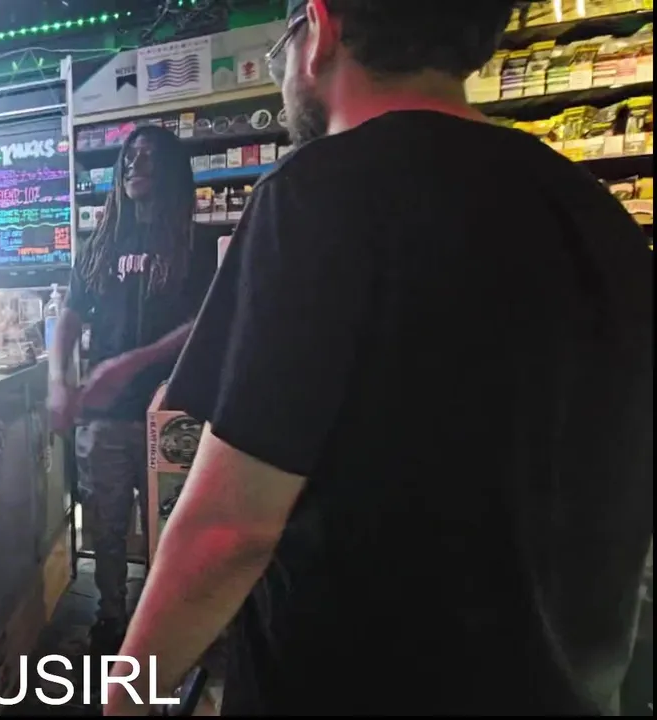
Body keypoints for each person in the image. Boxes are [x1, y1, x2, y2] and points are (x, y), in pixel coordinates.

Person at [107, 0, 653, 715]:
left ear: (320, 30)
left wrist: (126, 695)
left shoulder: (317, 195)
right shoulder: (598, 216)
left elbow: (229, 530)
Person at [48, 125, 217, 655]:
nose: (133, 165)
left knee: (171, 524)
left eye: (148, 157)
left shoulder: (197, 244)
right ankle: (111, 616)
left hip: (174, 413)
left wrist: (132, 363)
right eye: (129, 156)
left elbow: (206, 323)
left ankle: (162, 624)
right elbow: (70, 316)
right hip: (107, 414)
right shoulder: (100, 244)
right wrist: (58, 381)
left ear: (172, 172)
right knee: (106, 523)